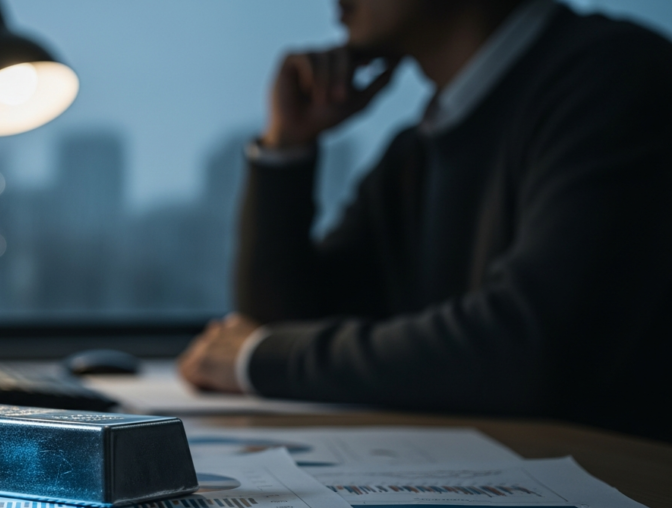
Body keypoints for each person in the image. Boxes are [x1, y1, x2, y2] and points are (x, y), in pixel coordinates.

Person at [177, 0, 672, 441]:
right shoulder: (417, 150)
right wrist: (288, 147)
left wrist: (263, 359)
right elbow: (284, 323)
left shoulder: (617, 79)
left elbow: (533, 347)